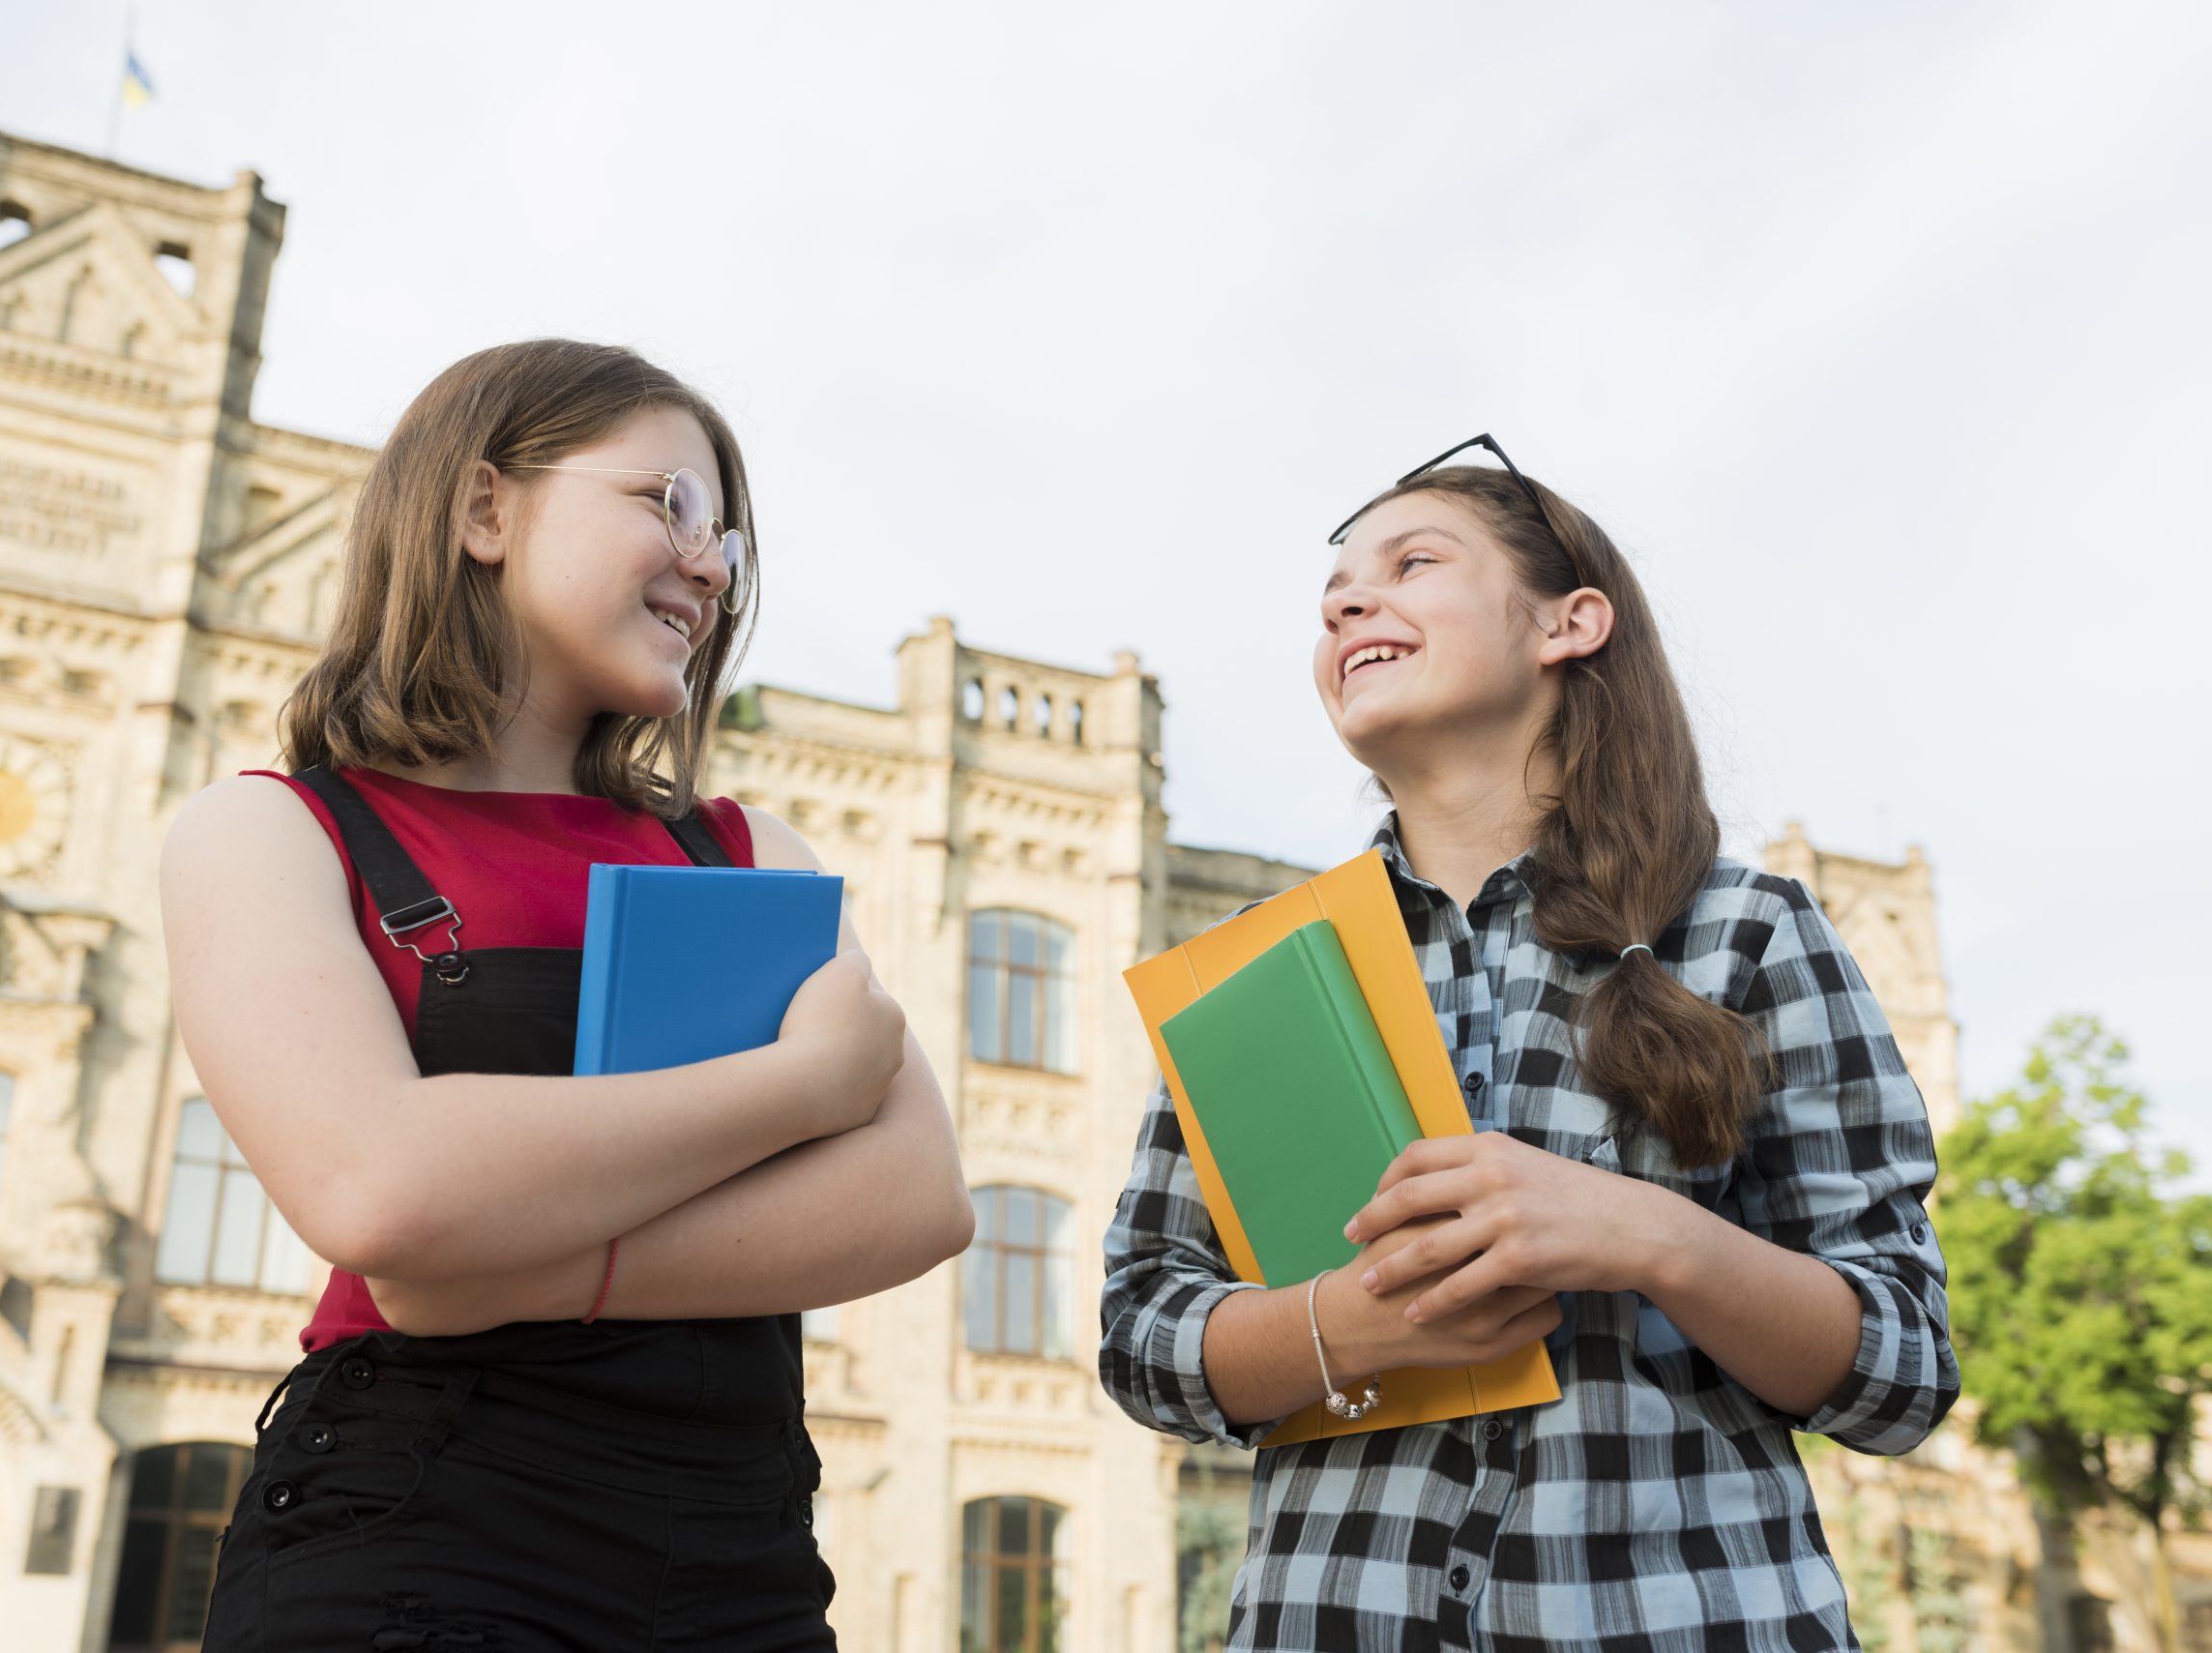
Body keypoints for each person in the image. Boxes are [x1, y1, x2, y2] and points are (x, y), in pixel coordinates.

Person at [163, 339, 974, 1651]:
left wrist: (504, 1269)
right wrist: (800, 1086)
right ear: (483, 508)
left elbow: (916, 1198)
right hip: (416, 1537)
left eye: (728, 539)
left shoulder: (745, 844)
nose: (711, 566)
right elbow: (383, 1190)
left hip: (743, 1563)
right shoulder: (274, 833)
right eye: (672, 505)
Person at [1100, 435, 1959, 1652]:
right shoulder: (1253, 967)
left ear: (1569, 622)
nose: (1350, 599)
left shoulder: (1747, 932)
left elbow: (1905, 1367)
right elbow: (1141, 1334)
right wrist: (1346, 1323)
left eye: (1412, 560)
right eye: (1334, 592)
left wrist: (1652, 1235)